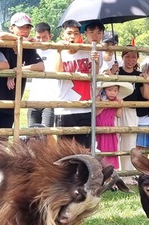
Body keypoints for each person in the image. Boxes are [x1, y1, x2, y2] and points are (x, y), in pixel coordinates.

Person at [0, 12, 43, 130]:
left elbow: (40, 66)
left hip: (13, 101)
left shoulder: (28, 49)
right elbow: (1, 35)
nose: (25, 30)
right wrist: (21, 40)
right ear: (12, 28)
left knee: (5, 136)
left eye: (27, 27)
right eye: (21, 27)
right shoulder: (4, 44)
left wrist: (16, 70)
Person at [53, 19, 101, 148]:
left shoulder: (88, 51)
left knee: (84, 148)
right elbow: (58, 73)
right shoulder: (59, 52)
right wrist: (59, 51)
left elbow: (95, 74)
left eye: (76, 33)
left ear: (81, 35)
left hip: (85, 106)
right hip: (65, 108)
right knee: (64, 149)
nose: (72, 36)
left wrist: (96, 61)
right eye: (69, 33)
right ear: (63, 35)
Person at [117, 47, 149, 170]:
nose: (130, 59)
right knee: (113, 139)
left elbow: (147, 95)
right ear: (122, 57)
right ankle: (114, 169)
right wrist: (111, 73)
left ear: (137, 59)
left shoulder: (138, 75)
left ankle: (127, 171)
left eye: (134, 57)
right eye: (127, 56)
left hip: (131, 110)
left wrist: (145, 80)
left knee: (129, 141)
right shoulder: (117, 72)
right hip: (115, 108)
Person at [96, 82, 133, 169]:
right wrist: (103, 105)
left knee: (110, 147)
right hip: (99, 126)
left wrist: (120, 106)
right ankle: (99, 167)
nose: (112, 93)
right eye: (109, 90)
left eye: (115, 90)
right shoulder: (99, 98)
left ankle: (111, 168)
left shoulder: (116, 100)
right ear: (104, 90)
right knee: (100, 147)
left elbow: (118, 115)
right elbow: (95, 113)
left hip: (111, 127)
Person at [27, 22, 56, 127]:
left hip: (50, 100)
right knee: (31, 134)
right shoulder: (32, 51)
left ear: (50, 36)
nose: (41, 40)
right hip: (33, 99)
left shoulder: (56, 51)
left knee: (45, 135)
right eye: (38, 37)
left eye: (44, 37)